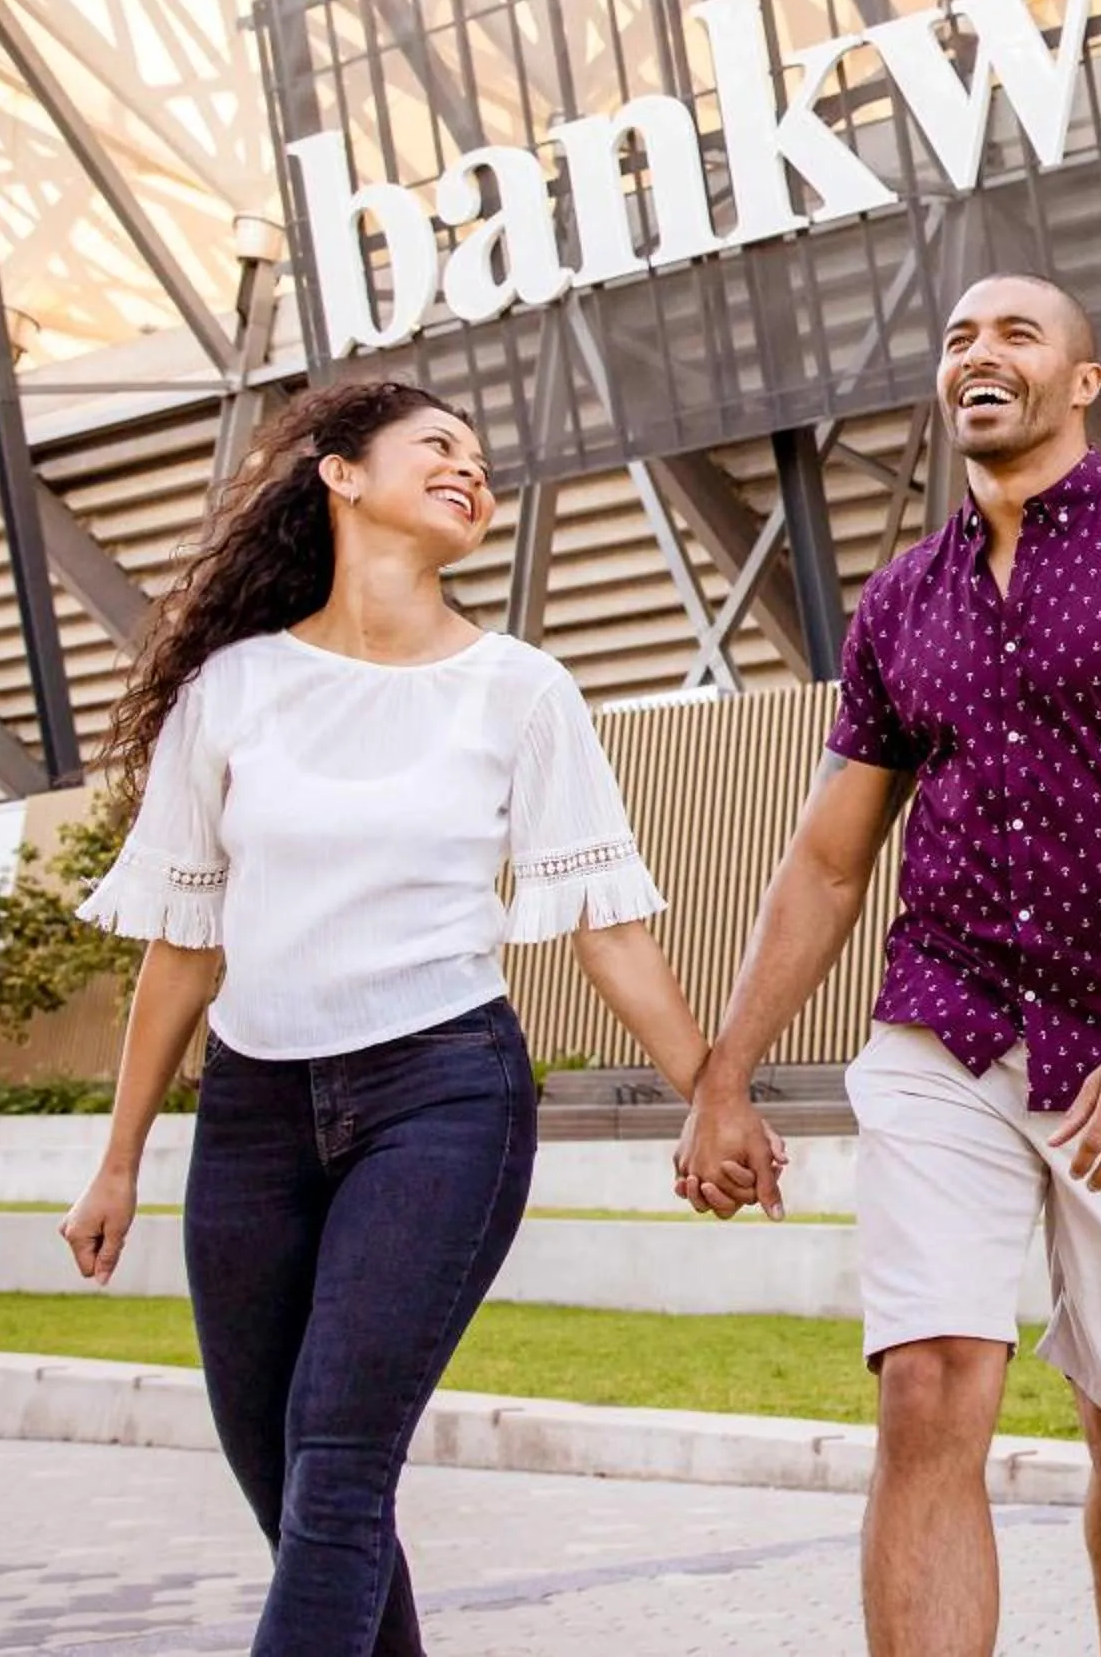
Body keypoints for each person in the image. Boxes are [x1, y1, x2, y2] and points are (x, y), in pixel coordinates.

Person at [56, 378, 746, 1657]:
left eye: (482, 463)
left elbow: (606, 923)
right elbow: (182, 946)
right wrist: (117, 1161)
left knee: (336, 1457)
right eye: (437, 447)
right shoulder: (235, 688)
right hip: (255, 1114)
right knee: (287, 1476)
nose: (470, 473)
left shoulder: (518, 690)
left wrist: (713, 1086)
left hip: (441, 1095)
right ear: (339, 476)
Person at [676, 271, 1101, 1657]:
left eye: (1017, 331)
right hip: (941, 1032)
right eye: (958, 335)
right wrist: (725, 1077)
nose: (980, 352)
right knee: (930, 1389)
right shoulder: (902, 601)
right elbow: (829, 858)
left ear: (1082, 380)